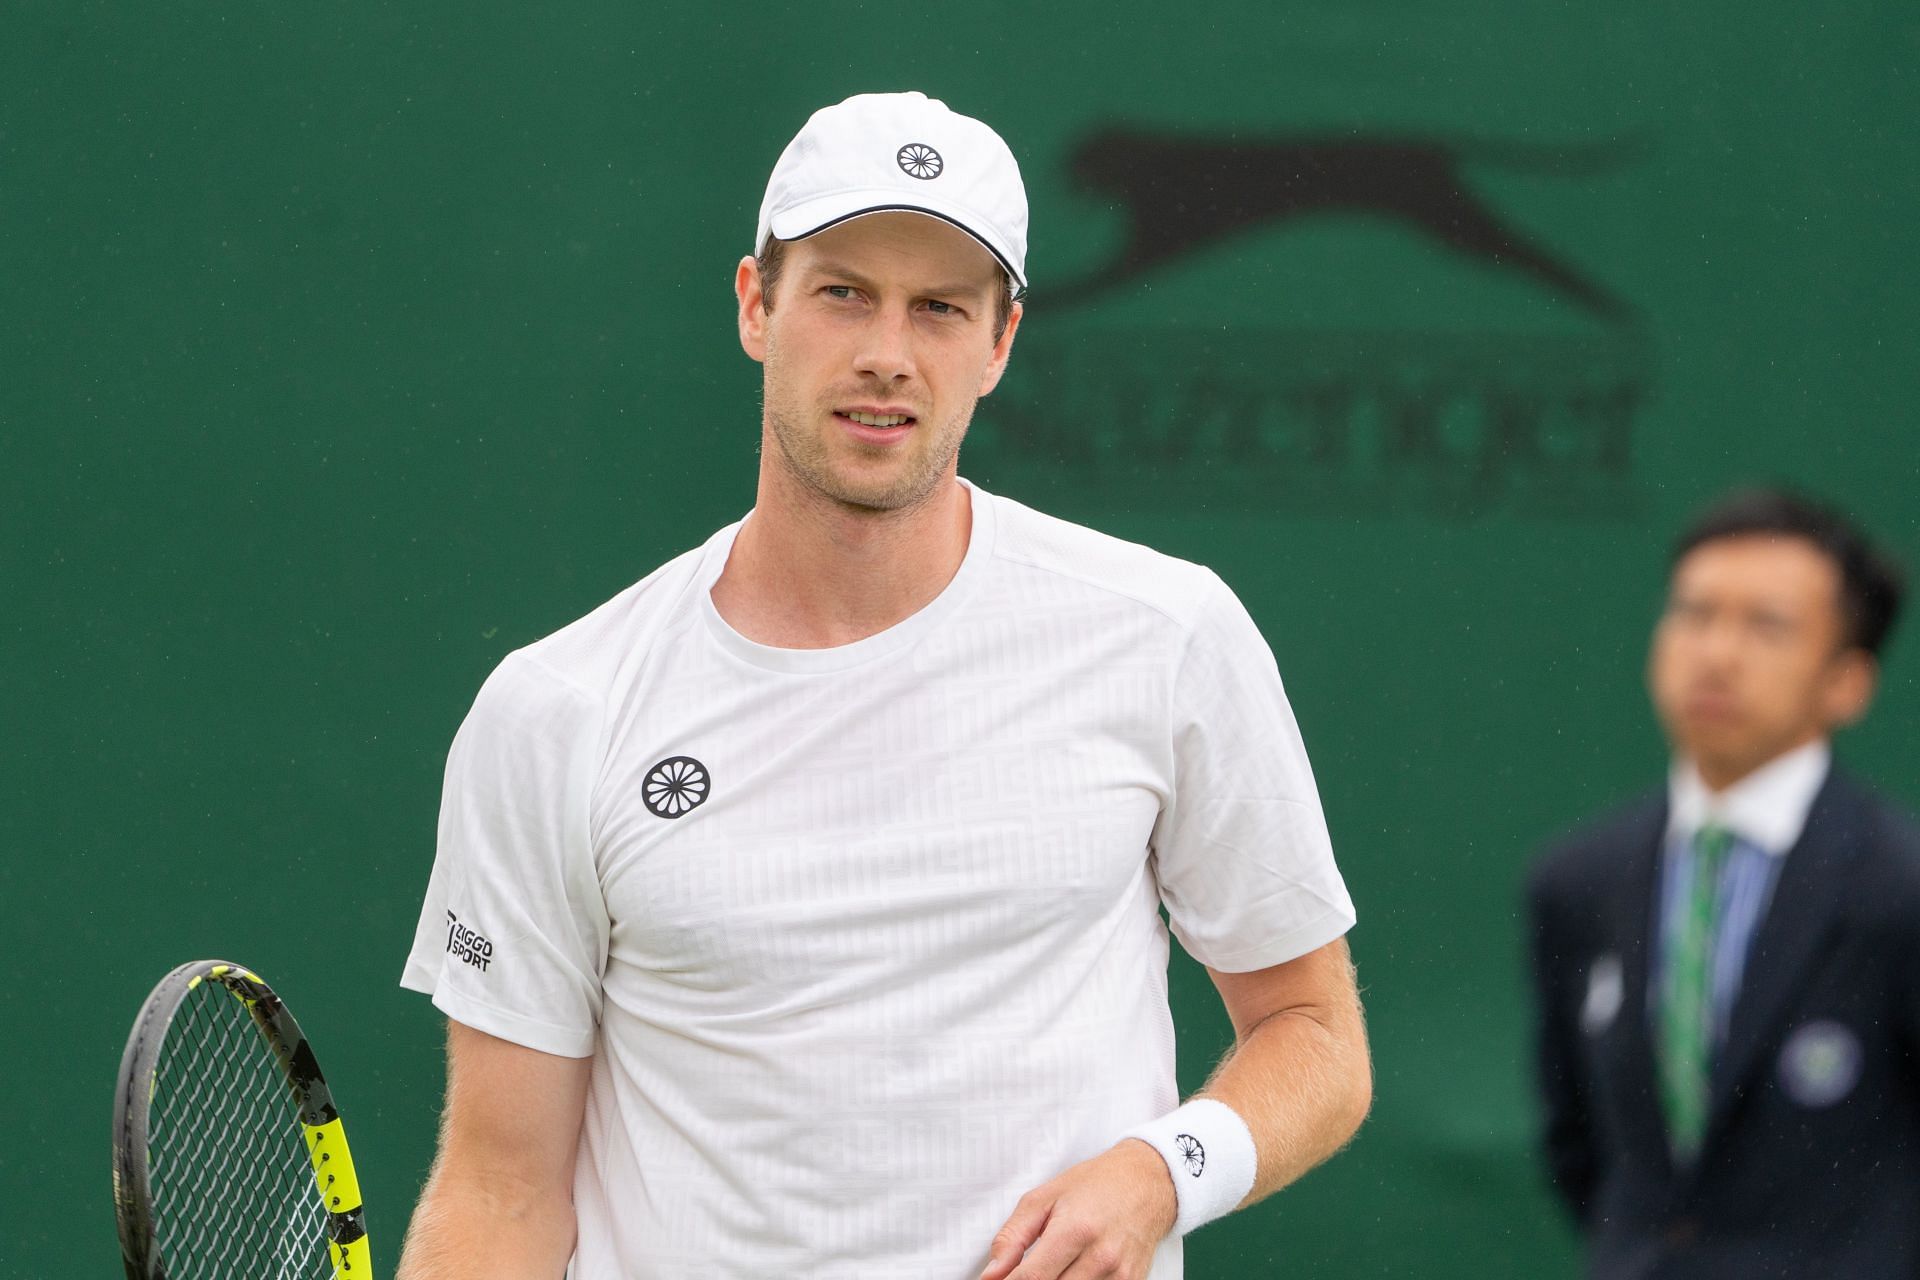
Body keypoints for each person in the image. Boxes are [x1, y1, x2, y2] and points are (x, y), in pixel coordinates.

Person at [396, 91, 1370, 1280]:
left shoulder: (1166, 632)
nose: (886, 354)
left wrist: (1161, 1172)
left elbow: (1316, 1033)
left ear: (1000, 342)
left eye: (940, 308)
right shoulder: (556, 709)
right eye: (843, 290)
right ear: (757, 303)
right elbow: (502, 1187)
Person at [1525, 489, 1918, 1278]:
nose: (1717, 652)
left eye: (1766, 625)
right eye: (1695, 613)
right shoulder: (1576, 881)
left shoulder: (1900, 890)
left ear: (1848, 681)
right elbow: (1582, 1148)